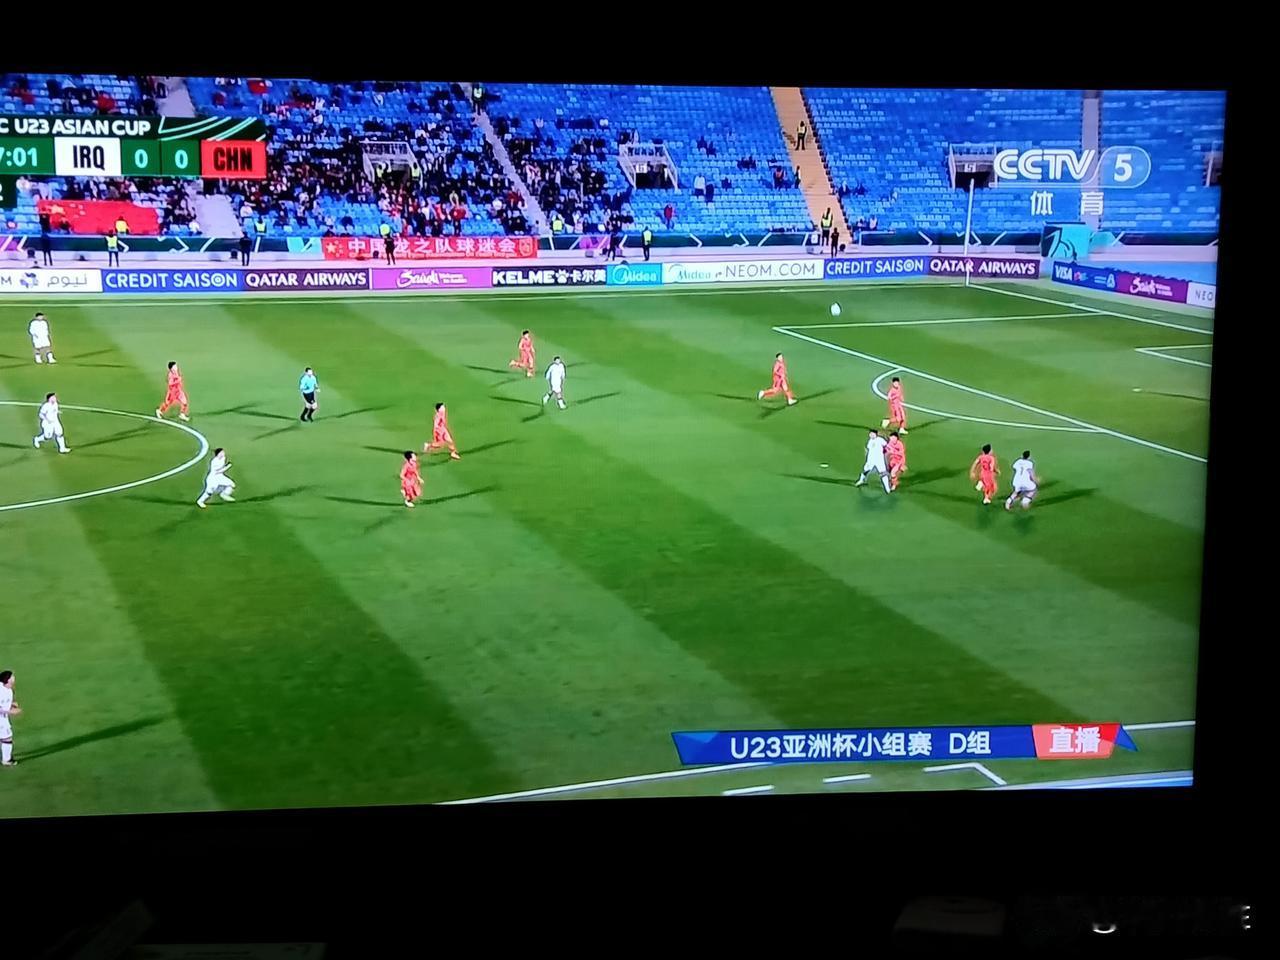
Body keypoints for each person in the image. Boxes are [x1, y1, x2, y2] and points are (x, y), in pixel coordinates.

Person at [855, 429, 892, 493]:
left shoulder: (880, 440)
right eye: (870, 434)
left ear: (876, 434)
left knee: (883, 473)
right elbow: (868, 449)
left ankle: (887, 488)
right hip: (870, 460)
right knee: (865, 471)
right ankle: (861, 480)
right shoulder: (869, 441)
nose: (871, 435)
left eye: (873, 434)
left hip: (879, 460)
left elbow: (886, 445)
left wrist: (886, 451)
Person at [0, 670, 20, 767]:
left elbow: (4, 703)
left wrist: (12, 704)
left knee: (6, 737)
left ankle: (6, 758)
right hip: (1, 720)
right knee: (7, 738)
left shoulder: (9, 690)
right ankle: (6, 760)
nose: (14, 678)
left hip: (3, 719)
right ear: (7, 680)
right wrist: (10, 711)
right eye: (12, 676)